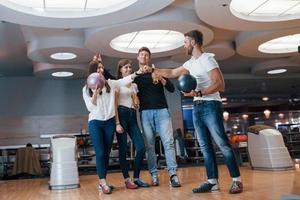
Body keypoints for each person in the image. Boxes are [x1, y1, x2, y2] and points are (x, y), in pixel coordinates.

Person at [153, 30, 243, 194]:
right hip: (197, 106)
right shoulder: (190, 63)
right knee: (205, 146)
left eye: (185, 41)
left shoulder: (207, 59)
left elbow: (220, 84)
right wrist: (154, 70)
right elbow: (172, 73)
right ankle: (212, 182)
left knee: (222, 144)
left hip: (211, 105)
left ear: (193, 42)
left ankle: (237, 181)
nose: (184, 44)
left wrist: (200, 93)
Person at [82, 54, 141, 194]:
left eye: (102, 68)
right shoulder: (86, 89)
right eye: (98, 68)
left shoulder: (110, 84)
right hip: (95, 123)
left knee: (107, 153)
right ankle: (102, 182)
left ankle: (104, 181)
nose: (101, 70)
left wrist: (137, 73)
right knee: (100, 152)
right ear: (92, 72)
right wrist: (95, 94)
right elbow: (90, 108)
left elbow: (123, 81)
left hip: (109, 122)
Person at [133, 47, 181, 188]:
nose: (144, 56)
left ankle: (173, 174)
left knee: (169, 143)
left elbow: (172, 89)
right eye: (142, 54)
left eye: (147, 55)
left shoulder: (157, 72)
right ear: (138, 58)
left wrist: (161, 78)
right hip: (145, 113)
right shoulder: (135, 76)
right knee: (149, 146)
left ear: (149, 58)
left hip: (162, 112)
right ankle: (154, 175)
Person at [114, 58, 149, 188]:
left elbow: (136, 102)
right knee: (123, 150)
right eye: (125, 67)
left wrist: (137, 102)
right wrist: (117, 122)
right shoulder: (117, 84)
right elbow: (114, 105)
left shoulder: (134, 85)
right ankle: (127, 180)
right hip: (121, 115)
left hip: (133, 116)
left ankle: (136, 177)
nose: (129, 69)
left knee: (141, 147)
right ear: (120, 70)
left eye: (130, 67)